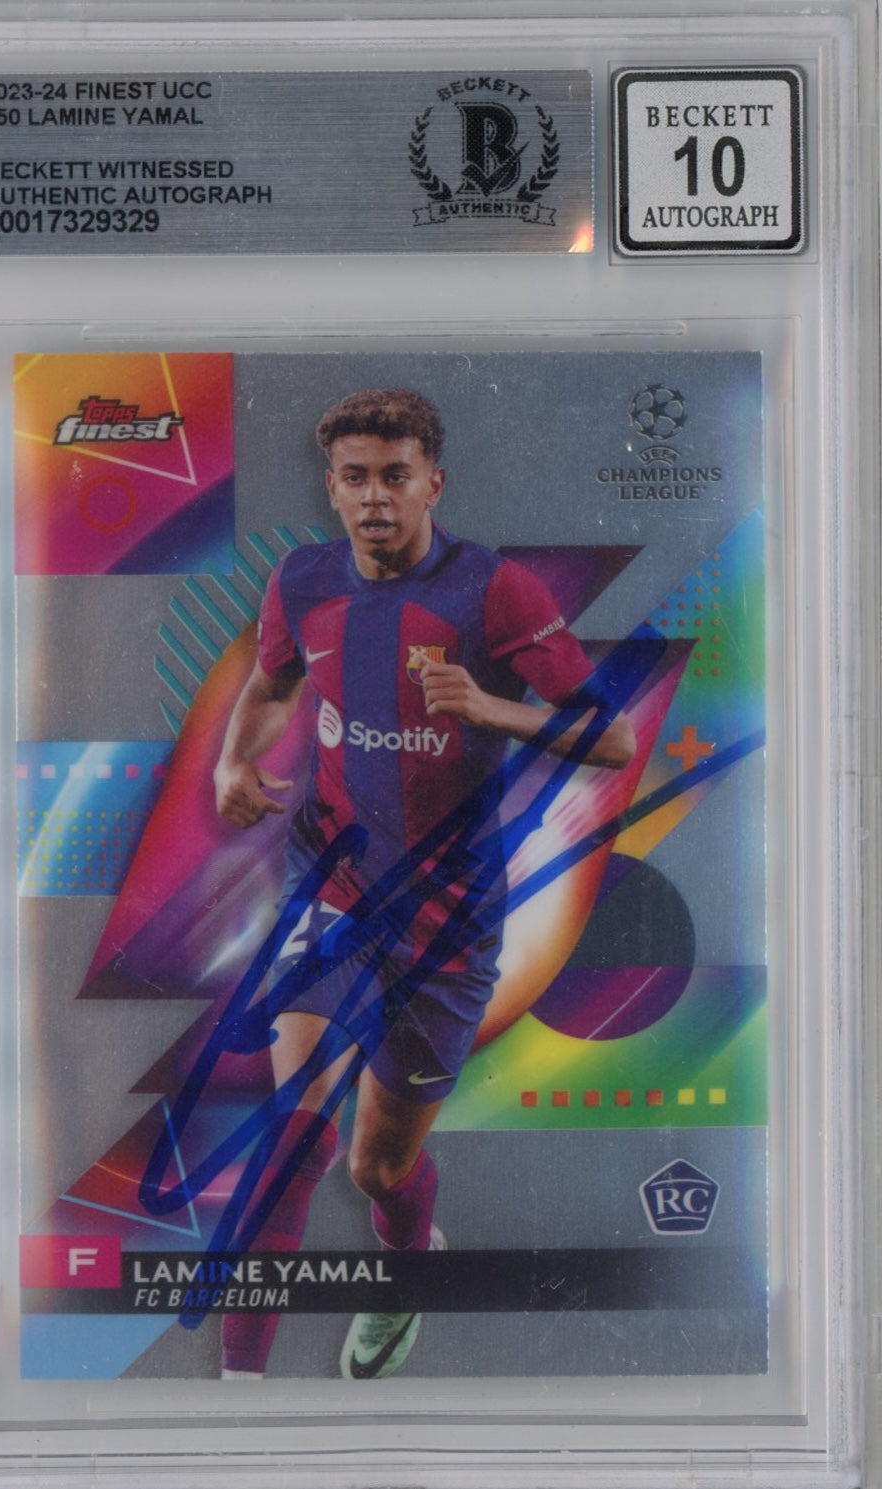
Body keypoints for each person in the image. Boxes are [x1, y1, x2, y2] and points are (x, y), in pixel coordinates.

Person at [213, 388, 635, 1380]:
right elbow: (272, 683)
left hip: (447, 923)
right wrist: (233, 760)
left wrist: (492, 709)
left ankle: (408, 1263)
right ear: (331, 487)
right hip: (332, 891)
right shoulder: (301, 581)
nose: (374, 497)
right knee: (290, 1145)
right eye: (355, 478)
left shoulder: (494, 592)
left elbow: (612, 738)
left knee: (377, 1166)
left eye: (394, 477)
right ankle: (239, 1391)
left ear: (431, 484)